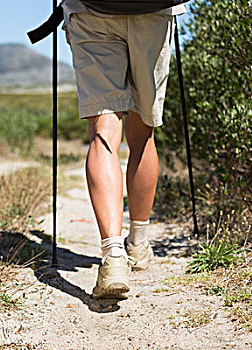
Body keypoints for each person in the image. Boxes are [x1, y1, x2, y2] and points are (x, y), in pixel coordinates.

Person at [61, 0, 186, 298]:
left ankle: (113, 256)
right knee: (142, 132)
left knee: (104, 129)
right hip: (154, 11)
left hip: (90, 10)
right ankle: (139, 245)